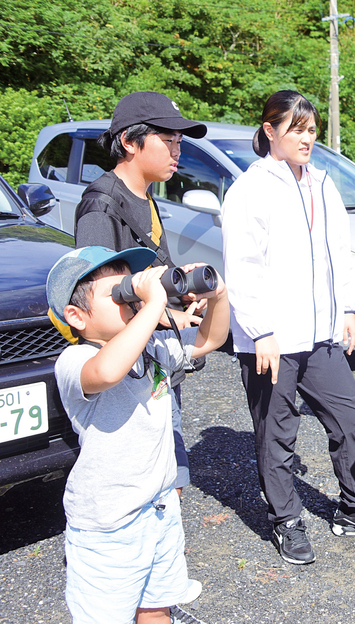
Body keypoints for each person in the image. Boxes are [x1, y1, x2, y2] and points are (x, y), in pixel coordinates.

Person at [221, 91, 355, 566]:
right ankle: (287, 519)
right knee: (276, 432)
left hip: (321, 332)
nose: (307, 138)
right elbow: (242, 267)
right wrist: (260, 330)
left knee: (351, 421)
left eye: (311, 129)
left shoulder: (321, 183)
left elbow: (335, 254)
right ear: (270, 131)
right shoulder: (250, 189)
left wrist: (345, 309)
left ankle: (353, 509)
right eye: (297, 129)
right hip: (273, 338)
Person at [72, 90, 207, 604]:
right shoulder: (101, 203)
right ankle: (122, 591)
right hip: (125, 370)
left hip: (154, 354)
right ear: (130, 142)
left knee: (165, 473)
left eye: (179, 141)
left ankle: (158, 591)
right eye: (168, 140)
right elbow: (100, 299)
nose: (178, 151)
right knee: (139, 475)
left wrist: (179, 303)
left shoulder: (144, 195)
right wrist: (159, 313)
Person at [47, 246, 229, 624]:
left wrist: (219, 296)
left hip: (159, 509)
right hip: (107, 524)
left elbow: (210, 340)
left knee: (156, 608)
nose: (131, 295)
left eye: (130, 286)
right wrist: (152, 305)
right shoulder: (74, 361)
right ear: (76, 316)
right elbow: (108, 371)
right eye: (118, 293)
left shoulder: (154, 346)